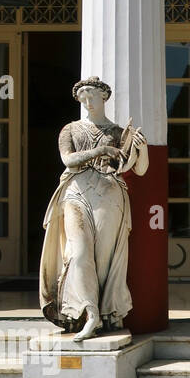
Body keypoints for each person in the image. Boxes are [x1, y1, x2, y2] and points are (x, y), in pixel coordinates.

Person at [38, 76, 149, 342]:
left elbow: (140, 169)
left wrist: (141, 150)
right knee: (77, 253)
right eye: (82, 97)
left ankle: (99, 314)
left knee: (102, 260)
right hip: (77, 192)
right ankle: (89, 313)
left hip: (109, 195)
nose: (87, 101)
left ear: (104, 97)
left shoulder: (120, 132)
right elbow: (68, 159)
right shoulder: (71, 129)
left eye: (92, 96)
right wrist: (100, 150)